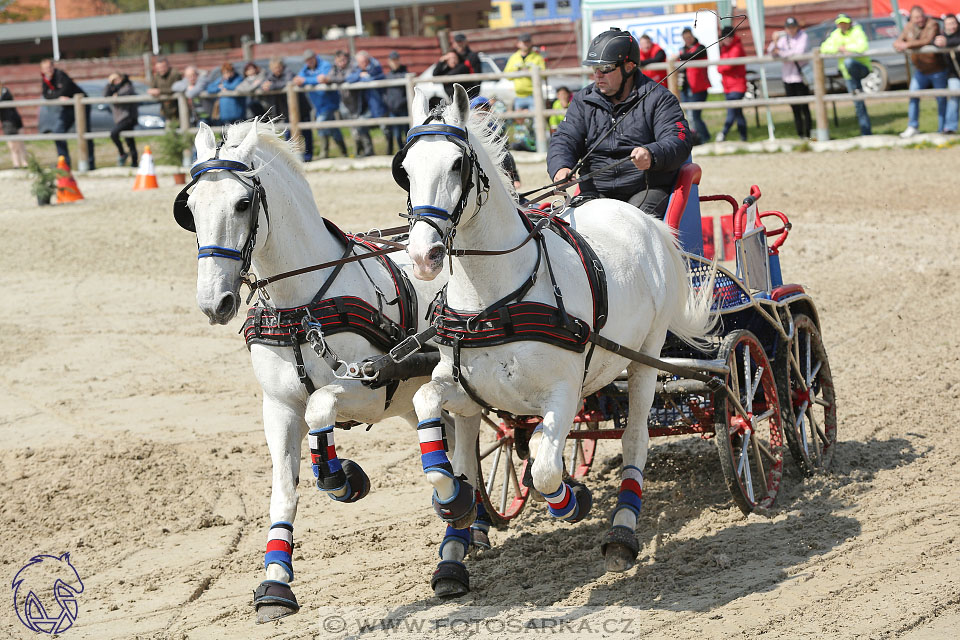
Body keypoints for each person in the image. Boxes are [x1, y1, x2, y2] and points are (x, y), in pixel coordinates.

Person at [548, 28, 692, 219]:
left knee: (628, 224)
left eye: (606, 68)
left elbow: (678, 139)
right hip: (596, 190)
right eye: (594, 69)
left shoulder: (659, 98)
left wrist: (652, 154)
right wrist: (560, 167)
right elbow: (564, 138)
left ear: (629, 66)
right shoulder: (583, 100)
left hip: (645, 188)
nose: (598, 76)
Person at [895, 6, 948, 137]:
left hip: (937, 69)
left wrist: (907, 45)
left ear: (924, 15)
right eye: (916, 18)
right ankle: (913, 126)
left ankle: (943, 129)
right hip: (920, 70)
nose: (919, 20)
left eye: (920, 17)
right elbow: (898, 41)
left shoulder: (932, 24)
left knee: (941, 99)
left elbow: (927, 40)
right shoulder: (909, 26)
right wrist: (898, 44)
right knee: (913, 95)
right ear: (911, 19)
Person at [820, 14, 872, 136]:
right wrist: (840, 49)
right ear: (838, 24)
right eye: (840, 23)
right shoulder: (836, 34)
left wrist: (846, 48)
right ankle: (866, 132)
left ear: (849, 23)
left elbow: (862, 46)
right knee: (858, 103)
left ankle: (857, 89)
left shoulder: (857, 31)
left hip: (861, 68)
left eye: (845, 22)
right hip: (848, 74)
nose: (842, 25)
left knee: (849, 61)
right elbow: (824, 47)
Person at [40, 59, 95, 170]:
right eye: (45, 69)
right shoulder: (45, 79)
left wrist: (57, 95)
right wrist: (58, 96)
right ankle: (64, 163)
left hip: (81, 105)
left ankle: (90, 164)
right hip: (68, 108)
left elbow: (65, 90)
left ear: (53, 67)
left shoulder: (61, 75)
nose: (48, 70)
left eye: (49, 68)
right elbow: (46, 95)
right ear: (42, 70)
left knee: (84, 133)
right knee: (58, 132)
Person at [295, 49, 347, 160]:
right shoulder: (306, 69)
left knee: (320, 125)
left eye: (311, 59)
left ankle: (324, 153)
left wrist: (305, 80)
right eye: (307, 60)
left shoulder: (325, 65)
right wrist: (306, 80)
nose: (309, 62)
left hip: (329, 103)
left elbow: (322, 79)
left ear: (315, 57)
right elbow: (300, 79)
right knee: (333, 129)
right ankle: (344, 152)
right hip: (318, 105)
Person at [767, 17, 812, 139]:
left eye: (793, 27)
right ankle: (800, 134)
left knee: (804, 106)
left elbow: (799, 53)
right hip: (788, 77)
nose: (791, 30)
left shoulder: (803, 36)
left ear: (797, 27)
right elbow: (771, 51)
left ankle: (808, 133)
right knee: (794, 107)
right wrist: (775, 41)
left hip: (800, 77)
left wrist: (781, 53)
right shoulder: (783, 39)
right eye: (788, 27)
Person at [471, 95, 521, 193]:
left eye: (485, 109)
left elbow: (504, 146)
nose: (482, 113)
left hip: (494, 155)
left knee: (505, 155)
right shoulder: (470, 128)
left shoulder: (494, 126)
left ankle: (513, 180)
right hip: (477, 155)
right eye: (478, 110)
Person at [345, 51, 386, 157]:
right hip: (365, 106)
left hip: (377, 105)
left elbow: (375, 78)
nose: (360, 64)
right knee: (360, 125)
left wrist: (363, 77)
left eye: (362, 62)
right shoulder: (358, 68)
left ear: (367, 60)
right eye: (359, 62)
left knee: (386, 129)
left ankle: (390, 150)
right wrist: (360, 75)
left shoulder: (375, 66)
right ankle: (369, 150)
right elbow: (349, 78)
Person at [676, 28, 711, 145]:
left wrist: (680, 57)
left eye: (689, 37)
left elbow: (691, 56)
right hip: (685, 87)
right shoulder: (683, 50)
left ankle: (702, 138)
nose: (687, 40)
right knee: (690, 115)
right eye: (685, 38)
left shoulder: (701, 48)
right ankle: (701, 136)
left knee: (694, 115)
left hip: (697, 87)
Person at [716, 26, 748, 142]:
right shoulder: (725, 49)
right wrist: (722, 68)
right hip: (728, 86)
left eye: (730, 37)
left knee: (732, 111)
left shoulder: (737, 47)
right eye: (725, 37)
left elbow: (728, 65)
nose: (727, 39)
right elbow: (720, 66)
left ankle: (723, 133)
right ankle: (744, 137)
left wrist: (721, 68)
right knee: (738, 113)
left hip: (737, 85)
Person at [104, 72, 138, 167]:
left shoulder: (128, 86)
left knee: (114, 134)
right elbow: (105, 94)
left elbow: (121, 95)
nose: (116, 81)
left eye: (118, 79)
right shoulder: (113, 87)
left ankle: (124, 154)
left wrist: (116, 95)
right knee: (129, 140)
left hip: (128, 117)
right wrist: (109, 83)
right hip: (120, 118)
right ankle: (133, 161)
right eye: (114, 80)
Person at [504, 33, 546, 110]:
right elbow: (507, 75)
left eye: (528, 42)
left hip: (534, 95)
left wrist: (529, 72)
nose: (526, 44)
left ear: (531, 43)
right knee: (520, 121)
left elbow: (544, 75)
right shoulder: (513, 57)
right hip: (518, 96)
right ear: (518, 44)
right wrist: (517, 71)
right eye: (523, 42)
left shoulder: (537, 57)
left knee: (536, 121)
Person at [433, 33, 482, 100]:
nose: (459, 44)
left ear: (465, 42)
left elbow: (477, 75)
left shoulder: (472, 57)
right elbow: (435, 74)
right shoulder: (452, 56)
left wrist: (475, 92)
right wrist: (441, 61)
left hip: (469, 92)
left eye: (461, 41)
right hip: (453, 96)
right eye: (457, 42)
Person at [935, 14, 960, 134]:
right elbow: (932, 41)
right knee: (954, 97)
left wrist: (946, 43)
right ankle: (950, 127)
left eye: (953, 23)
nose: (952, 26)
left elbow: (956, 40)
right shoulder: (941, 36)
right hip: (954, 74)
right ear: (944, 26)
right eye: (949, 24)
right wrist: (936, 42)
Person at [383, 51, 409, 155]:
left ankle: (408, 153)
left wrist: (402, 102)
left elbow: (409, 92)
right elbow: (384, 92)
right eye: (392, 61)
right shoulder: (387, 76)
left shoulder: (405, 74)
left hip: (403, 108)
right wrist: (388, 102)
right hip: (392, 109)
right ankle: (401, 153)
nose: (394, 63)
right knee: (397, 134)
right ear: (389, 62)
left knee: (407, 132)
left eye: (396, 60)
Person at [147, 57, 182, 128]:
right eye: (158, 68)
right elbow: (152, 88)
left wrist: (160, 91)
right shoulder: (156, 75)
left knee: (182, 128)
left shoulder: (175, 74)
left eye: (162, 67)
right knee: (169, 130)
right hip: (165, 109)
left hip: (178, 108)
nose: (161, 69)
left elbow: (177, 88)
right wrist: (152, 91)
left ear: (168, 65)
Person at [0, 80, 27, 168]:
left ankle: (24, 162)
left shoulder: (5, 91)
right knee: (12, 145)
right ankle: (16, 164)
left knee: (21, 143)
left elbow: (6, 99)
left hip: (15, 119)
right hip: (6, 122)